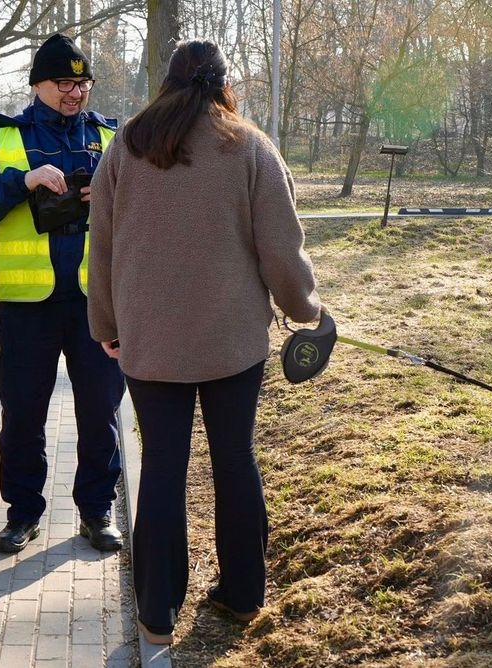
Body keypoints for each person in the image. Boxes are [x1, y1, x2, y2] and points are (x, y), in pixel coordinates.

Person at [87, 40, 323, 644]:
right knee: (234, 460)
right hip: (232, 341)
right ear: (223, 83)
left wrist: (106, 325)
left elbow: (103, 245)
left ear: (166, 81)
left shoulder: (127, 143)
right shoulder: (248, 146)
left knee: (162, 468)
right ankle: (243, 594)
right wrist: (306, 312)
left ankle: (157, 612)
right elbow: (282, 250)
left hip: (149, 341)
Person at [0, 34, 125, 555]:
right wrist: (23, 180)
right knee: (23, 412)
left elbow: (147, 203)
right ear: (38, 85)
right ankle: (23, 512)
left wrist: (111, 194)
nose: (75, 93)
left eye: (82, 83)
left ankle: (97, 511)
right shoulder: (3, 140)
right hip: (29, 306)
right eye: (64, 84)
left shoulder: (112, 138)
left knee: (101, 409)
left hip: (96, 302)